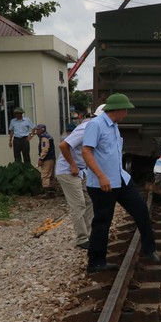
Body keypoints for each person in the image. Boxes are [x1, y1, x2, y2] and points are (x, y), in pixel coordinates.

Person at [81, 93, 159, 273]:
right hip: (102, 183)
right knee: (102, 222)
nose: (127, 113)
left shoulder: (115, 126)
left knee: (141, 209)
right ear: (117, 110)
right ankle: (96, 263)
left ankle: (150, 249)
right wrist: (101, 176)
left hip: (120, 179)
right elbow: (86, 152)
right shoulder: (96, 125)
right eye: (125, 110)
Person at [55, 105, 104, 249]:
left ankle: (89, 234)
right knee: (79, 204)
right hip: (68, 171)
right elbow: (63, 145)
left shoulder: (95, 128)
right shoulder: (86, 128)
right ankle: (82, 239)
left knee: (89, 201)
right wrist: (73, 165)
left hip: (80, 171)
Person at [35, 124, 56, 190]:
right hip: (51, 158)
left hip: (47, 159)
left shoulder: (44, 138)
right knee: (50, 175)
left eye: (38, 130)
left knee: (45, 175)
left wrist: (41, 159)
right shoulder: (48, 136)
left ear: (42, 130)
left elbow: (45, 149)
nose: (36, 131)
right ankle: (51, 189)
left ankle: (46, 190)